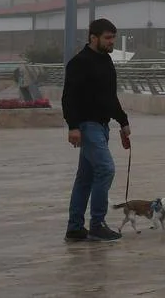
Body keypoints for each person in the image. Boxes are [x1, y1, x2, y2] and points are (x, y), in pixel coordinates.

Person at [62, 18, 131, 242]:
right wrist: (73, 126)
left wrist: (122, 122)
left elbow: (109, 97)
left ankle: (74, 228)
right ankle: (98, 224)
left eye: (113, 38)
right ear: (93, 37)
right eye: (108, 38)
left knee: (85, 177)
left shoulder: (106, 61)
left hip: (102, 126)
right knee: (106, 169)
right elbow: (68, 97)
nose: (112, 42)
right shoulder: (79, 62)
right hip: (87, 125)